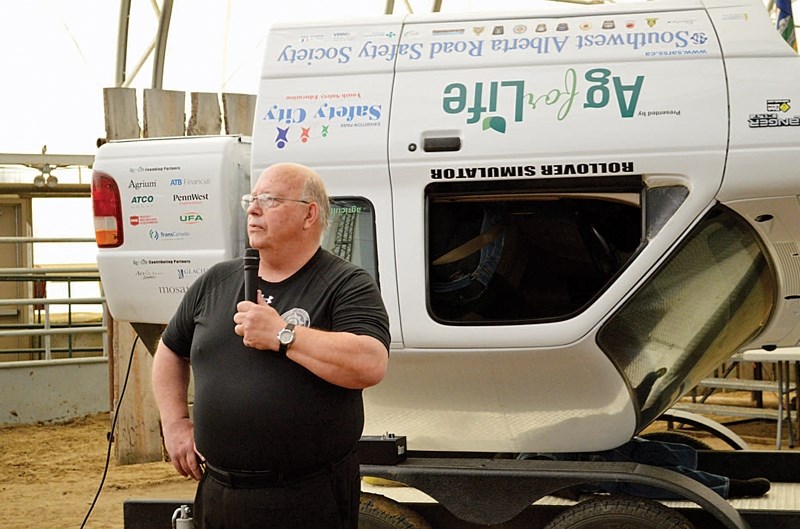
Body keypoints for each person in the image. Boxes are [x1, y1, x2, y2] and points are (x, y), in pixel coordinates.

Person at [152, 162, 391, 528]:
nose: (253, 209)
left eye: (270, 200)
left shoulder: (347, 284)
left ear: (309, 213)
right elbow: (170, 349)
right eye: (252, 199)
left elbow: (370, 364)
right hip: (217, 492)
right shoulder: (216, 281)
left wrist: (284, 335)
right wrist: (175, 423)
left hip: (304, 498)